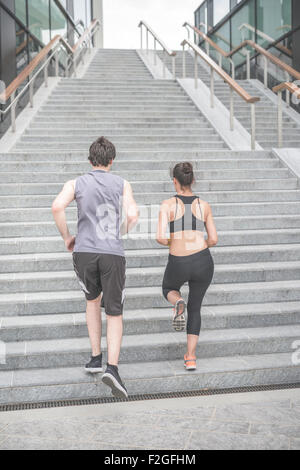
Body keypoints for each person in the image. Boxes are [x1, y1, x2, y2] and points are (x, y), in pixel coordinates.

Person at [52, 137, 139, 399]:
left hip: (84, 252)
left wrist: (67, 236)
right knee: (114, 311)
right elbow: (133, 215)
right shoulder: (123, 184)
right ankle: (112, 368)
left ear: (90, 160)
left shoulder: (76, 183)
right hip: (111, 252)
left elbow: (57, 206)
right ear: (112, 160)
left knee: (92, 301)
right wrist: (118, 231)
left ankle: (95, 358)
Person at [156, 162, 218, 371]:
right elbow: (214, 239)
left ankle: (177, 301)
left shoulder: (167, 205)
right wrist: (201, 244)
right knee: (195, 308)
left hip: (179, 261)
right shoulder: (204, 205)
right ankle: (190, 357)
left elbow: (159, 237)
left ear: (175, 181)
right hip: (203, 261)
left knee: (168, 289)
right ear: (192, 180)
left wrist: (173, 242)